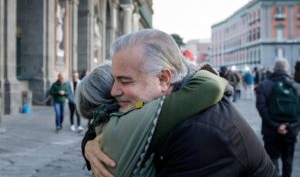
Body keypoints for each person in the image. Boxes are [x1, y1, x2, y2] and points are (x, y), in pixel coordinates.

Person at [83, 29, 277, 177]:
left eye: (125, 81)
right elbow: (114, 119)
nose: (114, 91)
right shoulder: (150, 105)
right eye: (114, 79)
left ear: (163, 79)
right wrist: (89, 144)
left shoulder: (201, 133)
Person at [77, 62, 227, 176]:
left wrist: (87, 145)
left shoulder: (103, 126)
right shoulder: (144, 116)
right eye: (124, 81)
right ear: (115, 96)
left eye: (124, 80)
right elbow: (210, 86)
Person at [255, 58, 300, 177]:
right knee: (288, 161)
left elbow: (261, 108)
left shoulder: (263, 85)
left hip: (270, 132)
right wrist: (289, 127)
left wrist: (276, 126)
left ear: (274, 69)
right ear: (287, 69)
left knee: (272, 161)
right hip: (290, 133)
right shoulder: (296, 86)